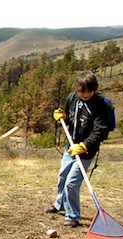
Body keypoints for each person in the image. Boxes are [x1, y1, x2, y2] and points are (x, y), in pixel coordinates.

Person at [46, 71, 110, 227]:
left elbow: (101, 130)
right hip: (70, 147)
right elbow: (68, 118)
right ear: (76, 89)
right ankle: (59, 204)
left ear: (95, 89)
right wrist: (61, 117)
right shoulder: (72, 98)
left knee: (71, 183)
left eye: (90, 90)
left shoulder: (100, 105)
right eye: (82, 90)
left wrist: (85, 145)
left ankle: (73, 215)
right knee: (62, 177)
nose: (86, 94)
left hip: (86, 151)